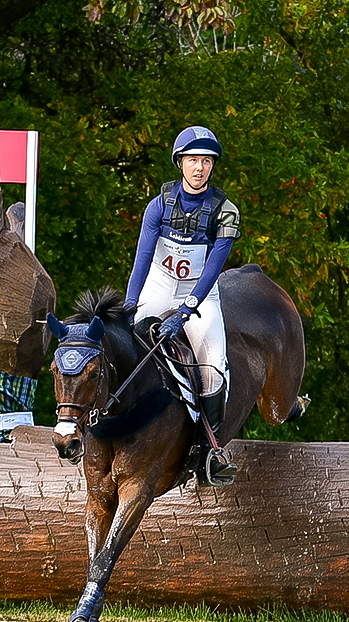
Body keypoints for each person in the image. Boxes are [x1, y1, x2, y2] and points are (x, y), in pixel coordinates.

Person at [126, 125, 241, 485]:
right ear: (180, 163)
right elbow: (143, 258)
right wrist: (130, 307)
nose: (199, 167)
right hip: (159, 285)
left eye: (206, 161)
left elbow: (213, 268)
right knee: (125, 347)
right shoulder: (158, 206)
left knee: (213, 367)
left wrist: (185, 311)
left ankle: (211, 454)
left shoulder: (226, 211)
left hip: (201, 292)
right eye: (193, 160)